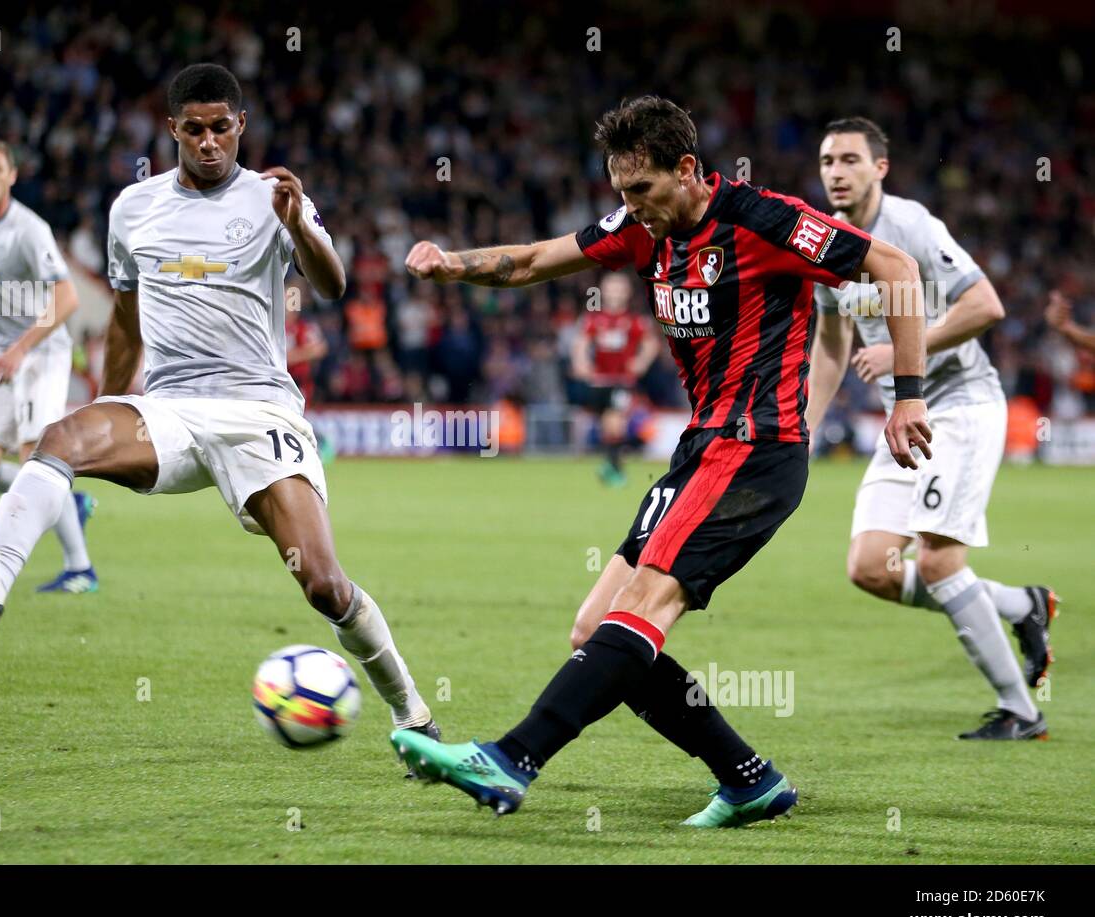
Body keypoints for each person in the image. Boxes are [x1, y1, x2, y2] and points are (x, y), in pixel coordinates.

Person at [393, 95, 931, 826]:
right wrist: (454, 265)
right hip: (702, 447)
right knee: (596, 627)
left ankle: (513, 758)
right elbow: (531, 261)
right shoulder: (642, 231)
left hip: (756, 448)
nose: (632, 207)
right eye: (621, 193)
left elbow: (894, 266)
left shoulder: (763, 220)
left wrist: (909, 397)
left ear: (687, 169)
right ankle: (749, 780)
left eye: (642, 190)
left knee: (646, 605)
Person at [0, 64, 438, 749]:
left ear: (241, 126)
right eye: (195, 129)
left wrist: (299, 227)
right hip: (171, 409)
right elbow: (123, 316)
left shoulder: (274, 194)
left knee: (324, 585)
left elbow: (331, 284)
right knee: (58, 439)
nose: (209, 143)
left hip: (259, 414)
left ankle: (414, 715)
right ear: (173, 128)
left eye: (221, 128)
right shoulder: (133, 208)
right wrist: (109, 401)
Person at [807, 118, 1053, 741]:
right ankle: (1021, 606)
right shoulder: (822, 242)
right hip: (903, 418)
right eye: (828, 160)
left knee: (940, 563)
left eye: (849, 160)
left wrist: (902, 348)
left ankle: (1021, 711)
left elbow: (986, 305)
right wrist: (803, 427)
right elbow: (832, 344)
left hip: (961, 406)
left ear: (879, 168)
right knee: (871, 567)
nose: (835, 171)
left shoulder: (910, 225)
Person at [0, 139, 98, 594]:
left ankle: (80, 568)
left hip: (42, 351)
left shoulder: (29, 229)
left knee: (34, 458)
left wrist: (19, 349)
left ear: (12, 176)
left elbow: (67, 297)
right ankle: (68, 503)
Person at [569, 272, 659, 486]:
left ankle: (614, 470)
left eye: (619, 288)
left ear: (627, 293)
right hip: (599, 380)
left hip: (623, 380)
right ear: (603, 291)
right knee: (606, 425)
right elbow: (580, 343)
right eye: (611, 288)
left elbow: (651, 344)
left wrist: (641, 362)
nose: (615, 293)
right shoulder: (594, 318)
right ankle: (612, 465)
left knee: (615, 421)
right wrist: (581, 363)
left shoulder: (634, 320)